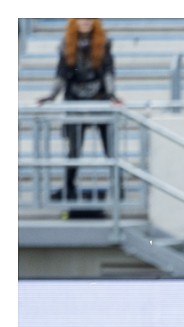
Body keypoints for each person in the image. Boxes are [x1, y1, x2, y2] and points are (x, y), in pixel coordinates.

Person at [37, 18, 121, 200]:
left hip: (99, 99)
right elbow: (61, 73)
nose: (85, 21)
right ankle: (69, 187)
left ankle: (118, 186)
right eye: (81, 18)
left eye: (89, 18)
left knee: (110, 148)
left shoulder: (103, 43)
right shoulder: (67, 44)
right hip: (75, 100)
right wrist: (51, 95)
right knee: (74, 150)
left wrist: (111, 94)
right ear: (74, 22)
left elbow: (108, 71)